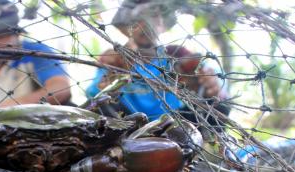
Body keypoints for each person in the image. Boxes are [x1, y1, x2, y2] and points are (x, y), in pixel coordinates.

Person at [86, 0, 230, 125]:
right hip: (126, 124)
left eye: (153, 16)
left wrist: (212, 85)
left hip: (170, 124)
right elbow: (94, 96)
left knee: (219, 107)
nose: (145, 24)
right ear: (127, 26)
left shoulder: (176, 55)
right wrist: (109, 79)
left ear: (163, 23)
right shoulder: (115, 57)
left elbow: (211, 78)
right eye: (138, 19)